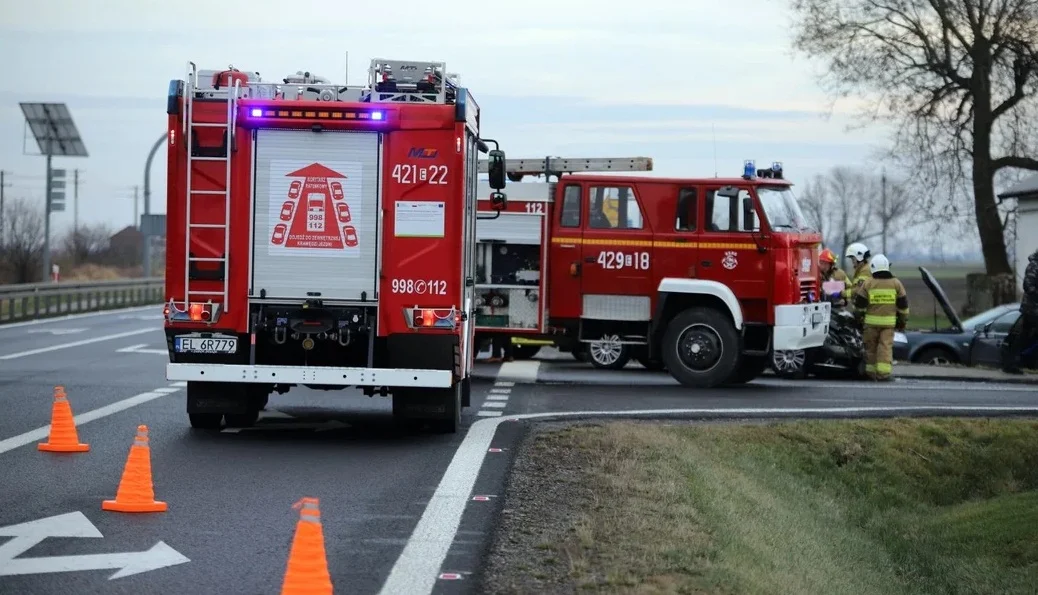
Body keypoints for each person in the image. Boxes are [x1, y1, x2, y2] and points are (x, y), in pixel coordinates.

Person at [852, 254, 909, 381]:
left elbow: (859, 306)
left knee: (870, 349)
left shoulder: (868, 283)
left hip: (870, 324)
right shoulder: (896, 283)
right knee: (885, 348)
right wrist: (902, 321)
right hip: (888, 324)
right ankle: (883, 375)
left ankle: (870, 374)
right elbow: (903, 307)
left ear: (873, 267)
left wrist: (858, 319)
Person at [1003, 247, 1038, 374]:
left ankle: (1016, 362)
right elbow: (1028, 286)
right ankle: (1011, 363)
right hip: (1032, 309)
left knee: (1026, 338)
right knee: (1023, 337)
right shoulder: (1034, 266)